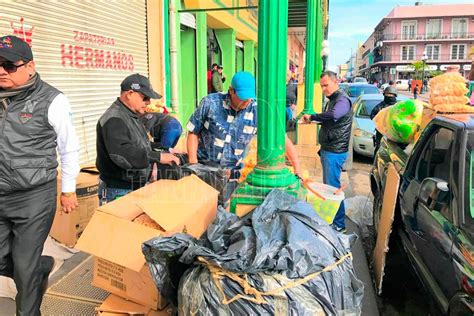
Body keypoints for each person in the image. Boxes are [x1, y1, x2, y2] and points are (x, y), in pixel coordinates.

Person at [0, 35, 80, 315]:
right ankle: (41, 267)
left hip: (33, 196)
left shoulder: (52, 99)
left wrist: (68, 189)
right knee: (7, 262)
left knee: (24, 266)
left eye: (9, 65)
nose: (1, 70)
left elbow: (69, 147)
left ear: (30, 66)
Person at [187, 71, 301, 205]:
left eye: (249, 97)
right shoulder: (210, 103)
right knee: (200, 211)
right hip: (205, 170)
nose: (246, 102)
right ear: (231, 91)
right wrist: (194, 165)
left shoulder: (257, 110)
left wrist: (297, 169)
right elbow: (192, 132)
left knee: (224, 213)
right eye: (242, 97)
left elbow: (281, 139)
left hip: (231, 176)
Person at [96, 74, 180, 204]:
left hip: (134, 186)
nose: (148, 102)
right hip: (119, 190)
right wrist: (158, 157)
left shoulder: (131, 115)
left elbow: (140, 144)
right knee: (119, 225)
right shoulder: (114, 119)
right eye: (145, 97)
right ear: (130, 94)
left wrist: (166, 150)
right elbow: (122, 154)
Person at [302, 71, 353, 233]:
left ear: (335, 82)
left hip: (334, 150)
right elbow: (331, 120)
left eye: (326, 85)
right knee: (330, 187)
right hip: (329, 149)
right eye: (322, 86)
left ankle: (339, 224)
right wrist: (315, 121)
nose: (324, 89)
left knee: (333, 188)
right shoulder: (332, 100)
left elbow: (335, 115)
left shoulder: (342, 100)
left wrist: (312, 116)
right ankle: (333, 219)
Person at [370, 86, 398, 152]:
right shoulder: (380, 106)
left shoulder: (398, 106)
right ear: (384, 95)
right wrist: (380, 120)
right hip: (381, 132)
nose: (389, 96)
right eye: (387, 94)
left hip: (394, 133)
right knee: (379, 149)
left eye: (391, 94)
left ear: (394, 95)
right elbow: (372, 115)